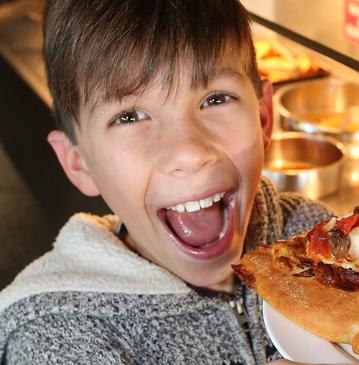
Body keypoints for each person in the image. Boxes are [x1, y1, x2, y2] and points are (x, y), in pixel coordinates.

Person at [0, 1, 331, 364]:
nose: (188, 152)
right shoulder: (57, 339)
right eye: (129, 117)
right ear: (79, 164)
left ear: (264, 118)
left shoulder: (318, 240)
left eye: (215, 99)